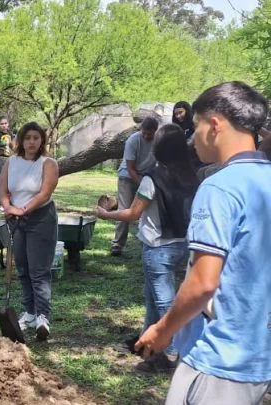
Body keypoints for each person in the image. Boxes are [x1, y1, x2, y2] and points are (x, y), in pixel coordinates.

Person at [135, 82, 271, 404]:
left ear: (214, 125)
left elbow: (203, 283)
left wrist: (162, 329)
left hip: (216, 357)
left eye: (194, 128)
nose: (191, 139)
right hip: (257, 357)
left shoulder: (219, 188)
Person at [96, 124, 199, 372]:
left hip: (158, 248)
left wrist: (105, 214)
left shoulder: (152, 178)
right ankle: (146, 344)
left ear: (159, 148)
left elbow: (133, 213)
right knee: (153, 298)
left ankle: (172, 354)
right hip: (182, 244)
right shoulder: (192, 175)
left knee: (164, 302)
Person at [0, 122, 59, 341]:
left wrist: (22, 209)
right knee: (22, 267)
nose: (31, 142)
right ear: (21, 140)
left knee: (39, 270)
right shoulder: (11, 162)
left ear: (42, 140)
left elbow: (44, 193)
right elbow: (3, 190)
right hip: (17, 219)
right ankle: (30, 312)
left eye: (36, 137)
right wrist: (8, 207)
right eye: (28, 138)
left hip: (41, 219)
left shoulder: (48, 163)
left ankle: (43, 316)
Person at [110, 116, 159, 256]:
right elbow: (131, 168)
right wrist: (142, 184)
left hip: (147, 175)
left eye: (149, 133)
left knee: (146, 210)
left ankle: (146, 242)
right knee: (125, 209)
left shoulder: (159, 141)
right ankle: (117, 244)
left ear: (155, 131)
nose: (146, 135)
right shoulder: (133, 140)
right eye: (144, 132)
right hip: (127, 175)